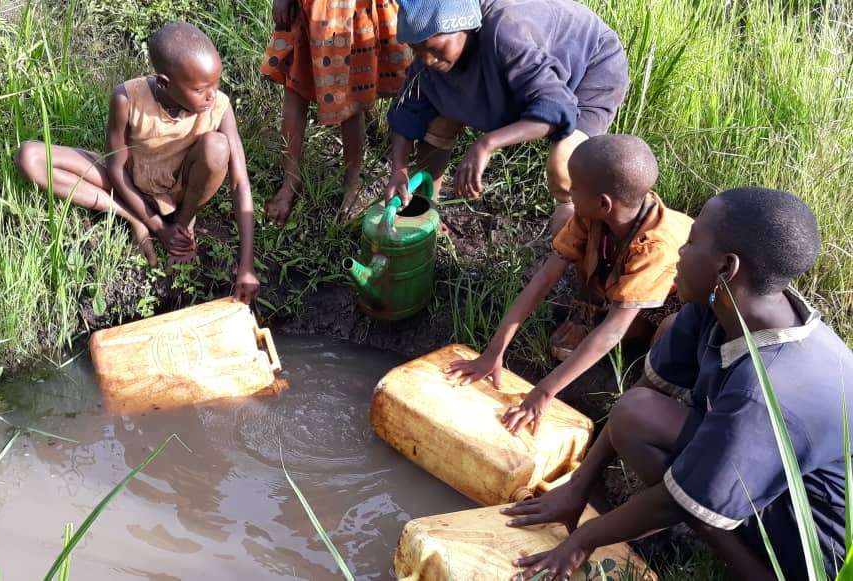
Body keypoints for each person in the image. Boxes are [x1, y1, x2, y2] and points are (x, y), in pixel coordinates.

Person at [501, 187, 852, 580]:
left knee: (689, 499)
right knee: (635, 412)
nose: (680, 252)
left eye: (692, 242)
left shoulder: (767, 392)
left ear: (726, 268)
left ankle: (743, 562)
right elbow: (638, 400)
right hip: (759, 473)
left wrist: (584, 539)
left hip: (811, 537)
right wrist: (576, 488)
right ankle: (703, 513)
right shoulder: (731, 305)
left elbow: (674, 501)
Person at [447, 135, 692, 434]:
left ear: (603, 203)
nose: (569, 191)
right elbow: (544, 280)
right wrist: (493, 352)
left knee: (662, 331)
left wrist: (544, 392)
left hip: (673, 303)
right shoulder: (596, 216)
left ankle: (651, 385)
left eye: (574, 186)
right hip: (627, 284)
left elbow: (613, 330)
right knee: (563, 219)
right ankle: (589, 310)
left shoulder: (654, 247)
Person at [15, 23, 260, 303]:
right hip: (130, 183)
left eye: (215, 84)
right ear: (165, 83)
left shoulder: (219, 107)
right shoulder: (127, 97)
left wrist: (246, 266)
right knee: (29, 158)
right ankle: (130, 216)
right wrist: (155, 226)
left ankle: (183, 225)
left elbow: (240, 182)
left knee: (217, 147)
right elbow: (117, 169)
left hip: (181, 191)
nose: (212, 94)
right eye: (202, 88)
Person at [385, 0, 630, 235]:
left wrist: (486, 143)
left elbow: (556, 107)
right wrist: (399, 169)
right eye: (418, 50)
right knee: (436, 121)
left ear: (464, 28)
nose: (428, 59)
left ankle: (573, 243)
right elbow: (407, 111)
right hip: (529, 79)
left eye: (435, 49)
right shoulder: (433, 59)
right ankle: (425, 213)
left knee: (566, 166)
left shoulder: (505, 34)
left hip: (589, 65)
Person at [261, 0, 412, 223]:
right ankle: (290, 180)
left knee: (351, 95)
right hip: (307, 7)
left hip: (352, 10)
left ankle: (352, 182)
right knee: (295, 87)